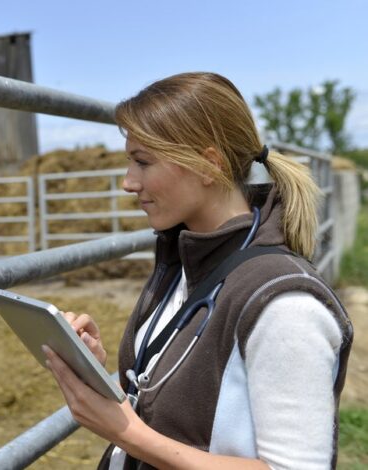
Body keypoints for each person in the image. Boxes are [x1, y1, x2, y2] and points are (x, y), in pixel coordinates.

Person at [43, 72, 353, 470]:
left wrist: (126, 433)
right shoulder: (183, 261)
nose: (128, 182)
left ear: (208, 165)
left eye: (142, 162)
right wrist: (98, 372)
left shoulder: (286, 305)